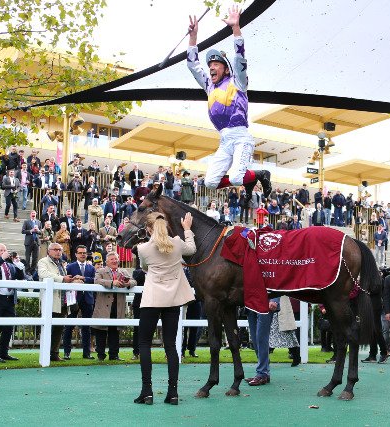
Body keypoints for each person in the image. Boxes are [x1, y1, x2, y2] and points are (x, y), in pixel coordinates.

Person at [186, 6, 272, 203]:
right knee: (209, 182)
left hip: (241, 137)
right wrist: (193, 37)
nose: (211, 68)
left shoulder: (238, 81)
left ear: (226, 69)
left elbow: (240, 57)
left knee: (235, 178)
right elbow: (192, 65)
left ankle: (260, 174)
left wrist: (236, 28)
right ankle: (251, 177)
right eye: (210, 65)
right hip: (224, 141)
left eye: (216, 64)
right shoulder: (209, 85)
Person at [134, 211, 196, 405]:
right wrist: (187, 229)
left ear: (148, 229)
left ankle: (147, 391)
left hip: (152, 299)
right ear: (166, 225)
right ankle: (173, 392)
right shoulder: (177, 243)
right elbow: (192, 249)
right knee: (170, 345)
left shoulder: (143, 248)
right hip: (172, 300)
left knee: (144, 343)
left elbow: (144, 268)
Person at [92, 252, 136, 361]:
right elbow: (97, 281)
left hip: (118, 306)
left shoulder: (124, 272)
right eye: (112, 259)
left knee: (115, 331)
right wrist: (112, 282)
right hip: (104, 306)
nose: (114, 261)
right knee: (101, 331)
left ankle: (114, 355)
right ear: (107, 262)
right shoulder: (101, 271)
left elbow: (134, 281)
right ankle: (101, 355)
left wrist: (128, 284)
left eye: (116, 259)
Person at [37, 243, 77, 361]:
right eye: (55, 249)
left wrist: (69, 280)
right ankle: (46, 353)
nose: (58, 252)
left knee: (59, 328)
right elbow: (43, 274)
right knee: (48, 328)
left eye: (60, 250)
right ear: (49, 251)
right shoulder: (43, 261)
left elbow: (63, 279)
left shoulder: (61, 263)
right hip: (50, 301)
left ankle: (54, 353)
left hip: (62, 301)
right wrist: (62, 278)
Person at [0, 243, 25, 363]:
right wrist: (1, 259)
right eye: (0, 250)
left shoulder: (10, 265)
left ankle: (4, 353)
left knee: (8, 327)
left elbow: (21, 277)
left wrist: (18, 265)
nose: (4, 252)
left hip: (9, 299)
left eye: (5, 250)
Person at [63, 245, 97, 360]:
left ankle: (86, 353)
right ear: (76, 254)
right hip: (73, 299)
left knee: (86, 327)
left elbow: (94, 280)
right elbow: (66, 280)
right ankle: (67, 352)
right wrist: (74, 280)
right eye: (80, 252)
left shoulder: (91, 268)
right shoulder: (70, 267)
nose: (82, 254)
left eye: (84, 253)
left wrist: (83, 278)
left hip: (88, 299)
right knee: (69, 326)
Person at [268, 296, 301, 367]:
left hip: (280, 308)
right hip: (271, 309)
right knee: (270, 336)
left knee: (288, 334)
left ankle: (296, 356)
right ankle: (265, 359)